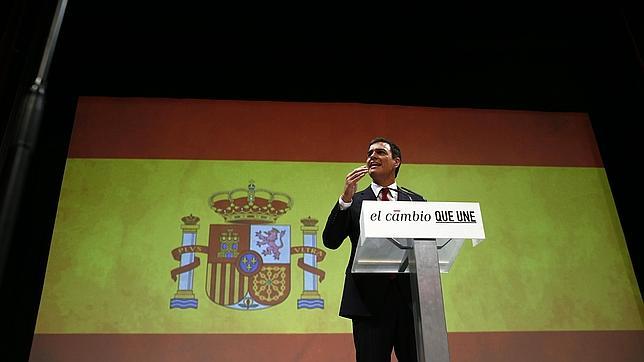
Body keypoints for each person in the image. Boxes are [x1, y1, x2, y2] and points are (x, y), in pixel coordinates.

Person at [323, 137, 425, 362]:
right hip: (367, 302)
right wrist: (345, 199)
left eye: (380, 152)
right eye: (369, 153)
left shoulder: (416, 202)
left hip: (409, 301)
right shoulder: (354, 202)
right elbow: (330, 241)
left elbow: (427, 246)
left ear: (396, 161)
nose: (372, 157)